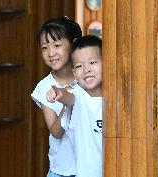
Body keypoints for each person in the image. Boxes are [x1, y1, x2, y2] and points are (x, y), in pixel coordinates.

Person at [31, 17, 82, 177]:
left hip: (92, 167)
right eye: (44, 48)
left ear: (73, 44)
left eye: (57, 45)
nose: (50, 53)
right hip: (61, 171)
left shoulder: (88, 78)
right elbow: (56, 132)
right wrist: (67, 100)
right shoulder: (44, 87)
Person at [46, 35, 103, 177]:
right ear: (74, 73)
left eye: (92, 62)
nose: (86, 69)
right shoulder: (78, 95)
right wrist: (58, 94)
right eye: (79, 66)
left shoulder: (116, 97)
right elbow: (69, 96)